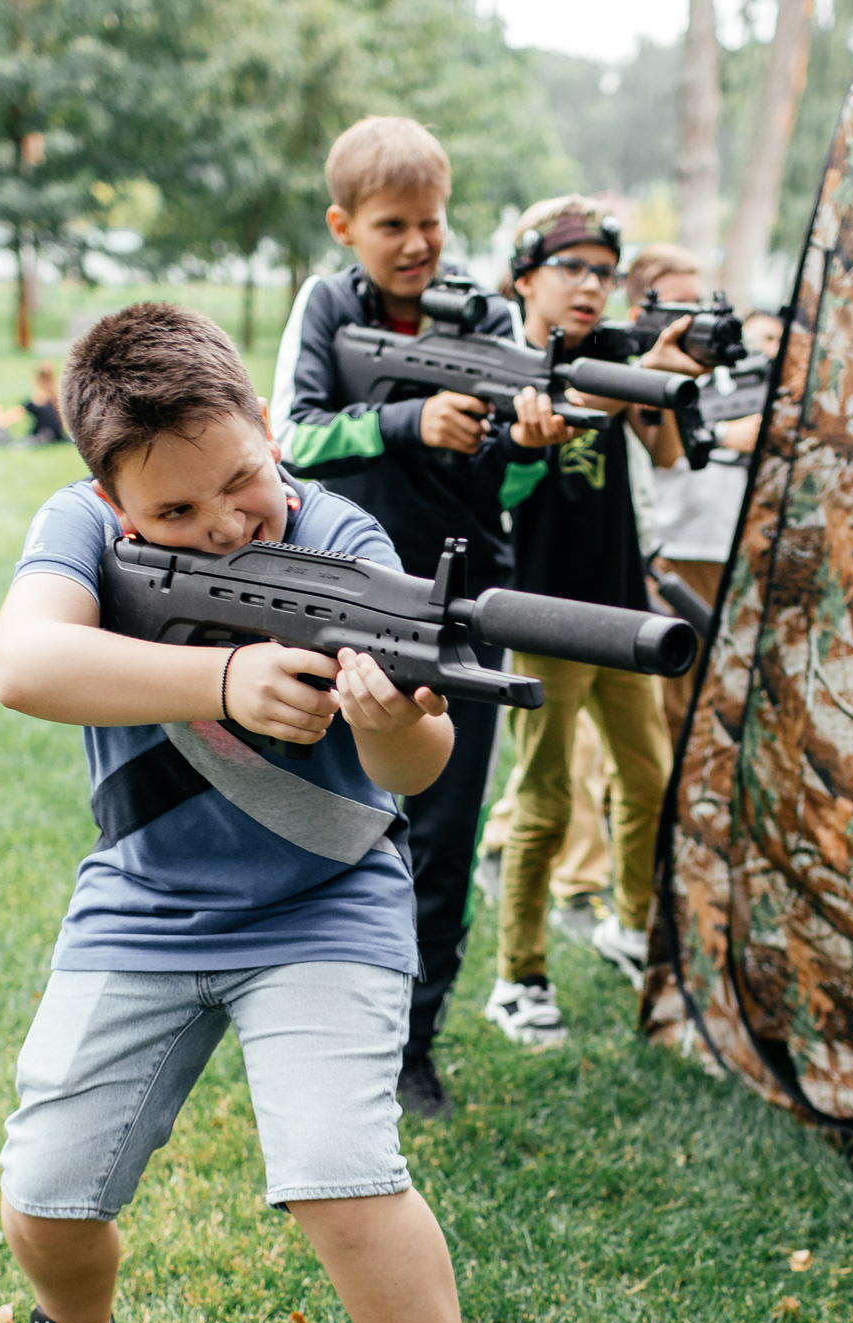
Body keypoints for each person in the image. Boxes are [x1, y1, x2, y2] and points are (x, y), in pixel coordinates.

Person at [0, 302, 536, 1323]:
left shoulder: (339, 532)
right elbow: (24, 663)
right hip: (145, 899)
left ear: (269, 430)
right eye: (175, 516)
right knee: (46, 1201)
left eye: (241, 482)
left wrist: (386, 711)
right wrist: (224, 680)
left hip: (325, 899)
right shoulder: (73, 529)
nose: (226, 524)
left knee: (341, 1173)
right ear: (111, 501)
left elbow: (415, 759)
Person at [270, 115, 575, 1120]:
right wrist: (409, 418)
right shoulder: (323, 305)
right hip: (335, 593)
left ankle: (411, 1045)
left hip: (457, 601)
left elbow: (514, 485)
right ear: (344, 224)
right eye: (393, 224)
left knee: (441, 835)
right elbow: (294, 440)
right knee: (326, 815)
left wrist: (526, 442)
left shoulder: (485, 323)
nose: (416, 245)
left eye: (432, 225)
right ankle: (311, 1026)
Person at [481, 198, 702, 1049]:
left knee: (645, 779)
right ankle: (519, 977)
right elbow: (500, 490)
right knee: (543, 800)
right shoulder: (501, 364)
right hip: (545, 611)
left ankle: (630, 925)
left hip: (622, 610)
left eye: (603, 273)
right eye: (571, 268)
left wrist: (665, 380)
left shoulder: (616, 351)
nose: (589, 286)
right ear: (527, 277)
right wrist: (598, 400)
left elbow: (671, 454)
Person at [623, 244, 762, 743]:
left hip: (724, 549)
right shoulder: (634, 377)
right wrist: (728, 434)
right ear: (645, 314)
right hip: (674, 552)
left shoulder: (725, 373)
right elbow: (664, 449)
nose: (699, 321)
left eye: (702, 305)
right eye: (684, 307)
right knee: (669, 711)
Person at [21, 362, 66, 444]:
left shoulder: (39, 397)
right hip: (57, 433)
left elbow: (19, 412)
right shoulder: (57, 395)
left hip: (42, 432)